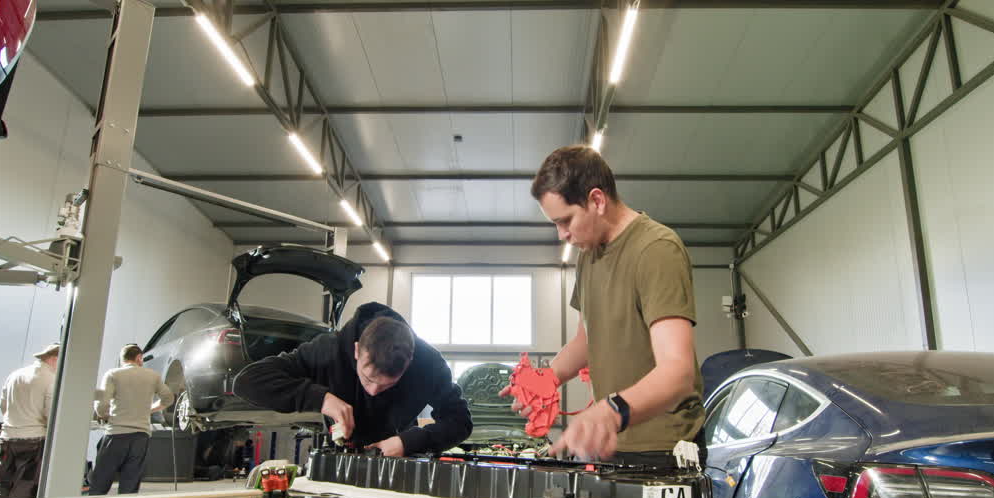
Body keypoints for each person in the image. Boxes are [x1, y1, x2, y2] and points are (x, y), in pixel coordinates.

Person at [511, 145, 704, 465]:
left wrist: (611, 411)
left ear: (597, 200)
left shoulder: (656, 250)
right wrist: (548, 377)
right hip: (610, 446)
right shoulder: (588, 258)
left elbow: (678, 370)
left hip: (663, 448)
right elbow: (586, 340)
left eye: (566, 220)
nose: (562, 235)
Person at [234, 302, 472, 456]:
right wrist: (322, 399)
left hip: (398, 458)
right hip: (340, 455)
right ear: (357, 351)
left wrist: (409, 442)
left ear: (409, 362)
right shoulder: (329, 350)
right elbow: (247, 381)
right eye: (368, 380)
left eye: (387, 385)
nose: (373, 392)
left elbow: (460, 422)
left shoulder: (428, 364)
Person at [90, 344, 172, 495]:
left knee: (101, 479)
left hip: (116, 433)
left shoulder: (113, 374)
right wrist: (150, 409)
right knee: (130, 482)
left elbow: (101, 404)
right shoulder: (153, 376)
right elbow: (168, 398)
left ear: (123, 360)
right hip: (141, 436)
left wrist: (105, 415)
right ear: (139, 358)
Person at [0, 343, 59, 498]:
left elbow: (3, 405)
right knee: (24, 486)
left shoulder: (15, 375)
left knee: (0, 484)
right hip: (33, 441)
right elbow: (50, 414)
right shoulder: (51, 379)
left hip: (7, 438)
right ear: (54, 360)